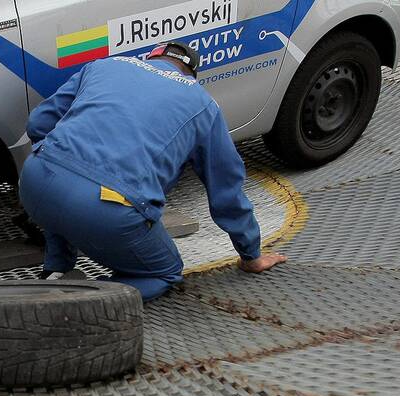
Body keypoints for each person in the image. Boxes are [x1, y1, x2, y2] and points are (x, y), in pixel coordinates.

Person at [19, 41, 286, 301]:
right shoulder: (202, 103)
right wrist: (251, 254)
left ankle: (55, 270)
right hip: (107, 210)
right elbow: (226, 191)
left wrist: (51, 161)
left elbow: (39, 123)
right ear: (191, 74)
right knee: (165, 272)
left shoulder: (106, 65)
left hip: (34, 181)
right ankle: (72, 303)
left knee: (60, 180)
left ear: (151, 57)